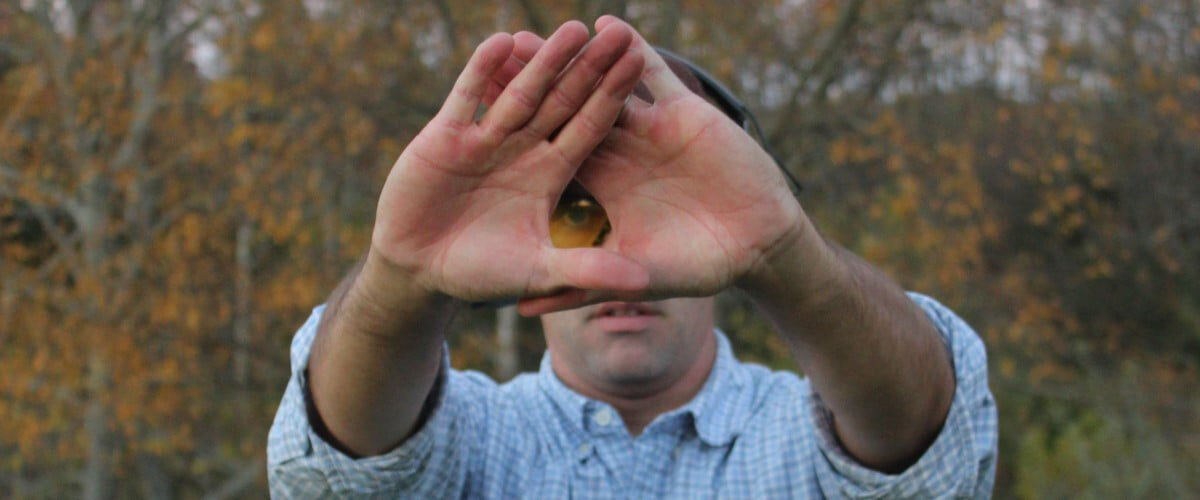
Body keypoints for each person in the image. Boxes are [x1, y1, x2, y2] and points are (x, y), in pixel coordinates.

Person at [267, 16, 997, 498]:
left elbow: (930, 453)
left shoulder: (798, 436)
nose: (624, 257)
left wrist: (787, 250)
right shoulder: (473, 441)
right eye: (580, 212)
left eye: (661, 213)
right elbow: (334, 476)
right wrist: (402, 279)